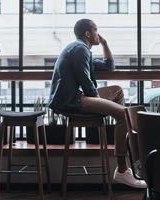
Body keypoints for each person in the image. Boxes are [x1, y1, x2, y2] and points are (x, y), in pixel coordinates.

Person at [48, 18, 146, 188]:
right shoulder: (80, 50)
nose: (98, 34)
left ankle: (119, 130)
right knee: (124, 115)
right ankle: (122, 169)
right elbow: (87, 84)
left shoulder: (80, 49)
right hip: (71, 101)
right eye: (96, 30)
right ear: (88, 33)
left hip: (74, 97)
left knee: (117, 91)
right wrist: (103, 104)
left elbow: (109, 66)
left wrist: (105, 44)